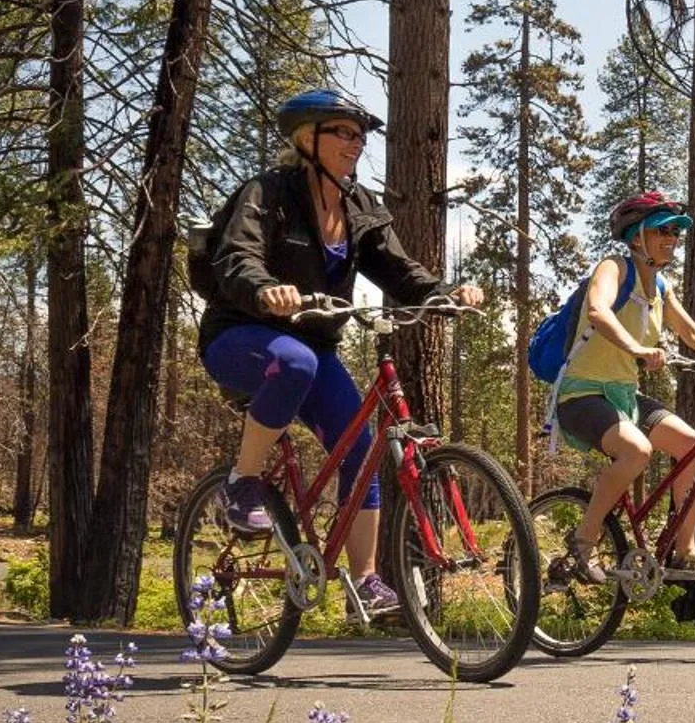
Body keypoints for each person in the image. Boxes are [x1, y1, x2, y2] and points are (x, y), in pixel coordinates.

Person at [198, 86, 483, 616]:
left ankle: (365, 582)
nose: (356, 143)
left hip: (313, 345)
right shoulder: (267, 192)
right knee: (295, 362)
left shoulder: (359, 206)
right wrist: (266, 289)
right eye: (344, 133)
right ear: (307, 137)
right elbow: (236, 257)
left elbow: (399, 270)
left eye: (360, 136)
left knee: (361, 450)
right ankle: (242, 484)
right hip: (240, 334)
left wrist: (442, 293)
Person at [553, 191, 695, 584]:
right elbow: (597, 310)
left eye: (676, 232)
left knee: (694, 448)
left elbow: (692, 334)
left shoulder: (661, 287)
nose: (672, 238)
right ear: (637, 237)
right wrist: (636, 348)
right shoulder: (614, 268)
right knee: (637, 451)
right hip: (581, 394)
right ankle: (583, 542)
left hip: (624, 397)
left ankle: (685, 550)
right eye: (663, 230)